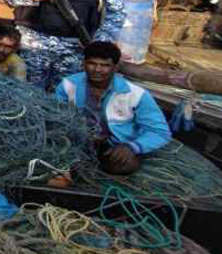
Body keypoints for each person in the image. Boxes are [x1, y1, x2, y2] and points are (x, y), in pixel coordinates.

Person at [55, 41, 170, 174]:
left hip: (115, 144)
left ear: (115, 68)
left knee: (123, 165)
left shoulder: (135, 94)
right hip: (77, 139)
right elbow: (57, 116)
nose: (97, 70)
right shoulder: (68, 85)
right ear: (83, 64)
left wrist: (131, 146)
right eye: (92, 63)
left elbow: (160, 132)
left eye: (105, 65)